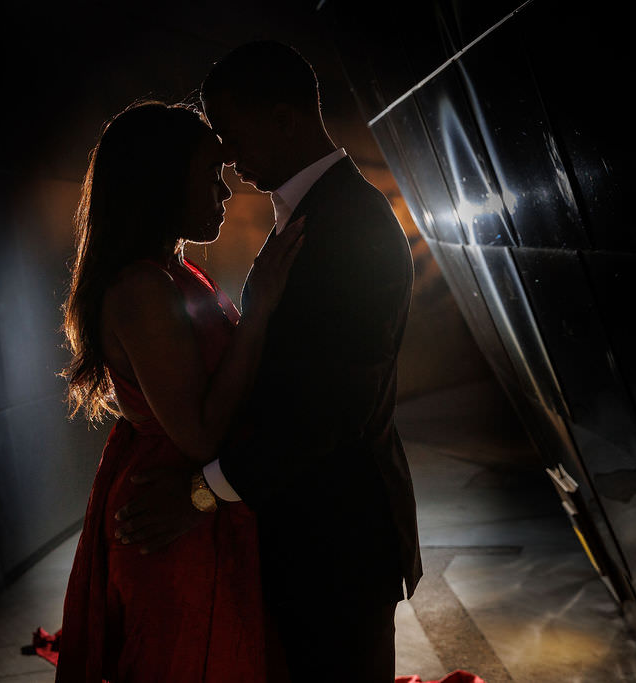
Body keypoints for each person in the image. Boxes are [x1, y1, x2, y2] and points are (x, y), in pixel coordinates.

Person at [114, 41, 423, 682]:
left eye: (230, 132)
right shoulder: (308, 216)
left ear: (285, 119)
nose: (224, 153)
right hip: (300, 532)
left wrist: (200, 495)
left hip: (337, 540)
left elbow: (330, 412)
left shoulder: (352, 226)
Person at [55, 100, 304, 682]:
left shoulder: (174, 271)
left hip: (192, 501)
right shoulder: (143, 288)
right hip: (170, 511)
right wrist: (261, 310)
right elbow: (199, 433)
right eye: (210, 178)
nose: (225, 194)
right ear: (162, 183)